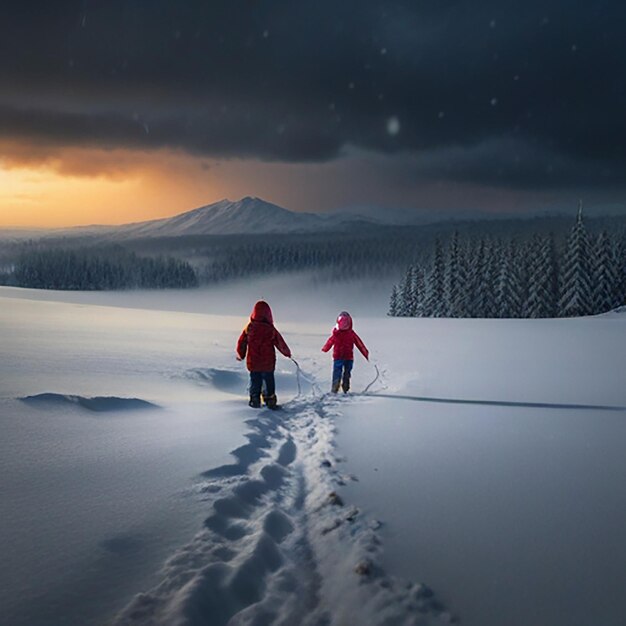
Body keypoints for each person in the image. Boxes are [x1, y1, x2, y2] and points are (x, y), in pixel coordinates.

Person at [236, 300, 291, 409]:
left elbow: (241, 342)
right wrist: (287, 353)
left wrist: (241, 355)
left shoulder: (249, 328)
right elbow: (280, 342)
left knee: (255, 381)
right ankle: (269, 398)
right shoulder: (270, 329)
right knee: (268, 380)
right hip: (268, 363)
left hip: (254, 363)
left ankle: (255, 399)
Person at [321, 311, 369, 393]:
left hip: (339, 356)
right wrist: (365, 353)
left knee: (337, 371)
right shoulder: (350, 333)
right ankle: (345, 386)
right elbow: (359, 344)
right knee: (347, 372)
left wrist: (325, 349)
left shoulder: (337, 333)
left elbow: (330, 342)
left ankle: (336, 386)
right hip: (347, 357)